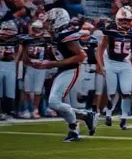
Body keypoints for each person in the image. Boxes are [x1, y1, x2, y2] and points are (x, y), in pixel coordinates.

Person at [33, 8, 95, 140]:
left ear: (58, 21)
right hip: (63, 70)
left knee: (54, 103)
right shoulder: (56, 36)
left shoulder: (65, 35)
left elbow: (81, 56)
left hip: (72, 69)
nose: (47, 25)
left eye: (50, 22)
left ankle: (79, 122)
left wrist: (51, 64)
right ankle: (80, 122)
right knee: (60, 106)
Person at [97, 6, 132, 129]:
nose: (125, 23)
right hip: (110, 61)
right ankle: (108, 113)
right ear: (117, 20)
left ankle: (123, 118)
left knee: (126, 91)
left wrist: (130, 58)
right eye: (122, 20)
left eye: (127, 20)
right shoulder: (110, 31)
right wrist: (101, 65)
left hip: (124, 63)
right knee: (111, 92)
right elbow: (100, 48)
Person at [0, 21, 20, 119]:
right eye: (6, 29)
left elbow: (17, 53)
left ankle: (8, 111)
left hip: (10, 64)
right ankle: (0, 111)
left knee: (10, 89)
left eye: (9, 30)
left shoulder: (16, 40)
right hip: (0, 63)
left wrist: (14, 64)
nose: (7, 32)